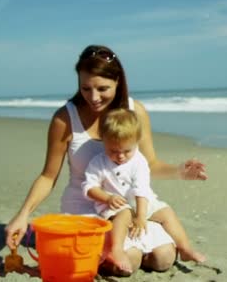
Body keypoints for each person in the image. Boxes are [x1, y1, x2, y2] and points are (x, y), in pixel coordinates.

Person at [5, 45, 208, 276]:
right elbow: (48, 176)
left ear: (118, 81)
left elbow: (149, 164)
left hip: (131, 206)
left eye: (102, 88)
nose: (93, 97)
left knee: (163, 258)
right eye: (86, 88)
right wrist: (22, 216)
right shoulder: (65, 118)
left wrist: (180, 171)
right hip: (88, 206)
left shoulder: (135, 112)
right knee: (129, 261)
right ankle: (117, 251)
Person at [82, 108, 206, 273]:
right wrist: (107, 198)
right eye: (113, 151)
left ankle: (184, 248)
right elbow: (89, 187)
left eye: (127, 151)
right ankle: (117, 249)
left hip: (141, 202)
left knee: (166, 211)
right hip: (114, 206)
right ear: (103, 141)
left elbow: (141, 190)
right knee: (124, 213)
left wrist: (141, 217)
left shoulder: (138, 161)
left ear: (136, 142)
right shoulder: (98, 163)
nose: (120, 156)